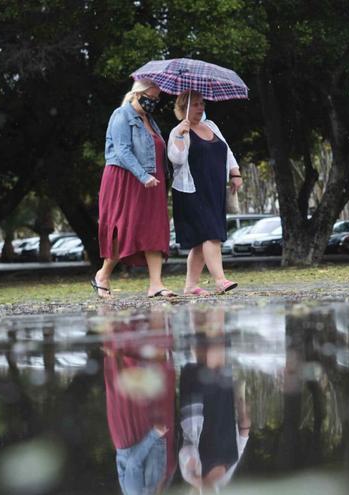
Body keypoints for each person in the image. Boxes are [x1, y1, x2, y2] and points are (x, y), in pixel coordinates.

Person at [94, 79, 175, 300]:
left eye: (157, 98)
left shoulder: (150, 120)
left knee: (154, 228)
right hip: (126, 178)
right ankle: (103, 275)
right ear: (137, 94)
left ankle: (156, 285)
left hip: (152, 181)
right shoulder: (121, 115)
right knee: (124, 229)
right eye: (151, 97)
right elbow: (122, 150)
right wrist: (142, 175)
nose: (154, 102)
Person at [168, 91, 243, 296]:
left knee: (202, 242)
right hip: (192, 191)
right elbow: (176, 159)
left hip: (215, 188)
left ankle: (190, 286)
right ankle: (220, 280)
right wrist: (180, 136)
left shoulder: (211, 126)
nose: (200, 108)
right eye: (195, 105)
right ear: (183, 108)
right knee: (211, 234)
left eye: (202, 104)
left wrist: (235, 174)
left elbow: (226, 151)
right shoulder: (178, 130)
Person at [103, 312, 177, 495]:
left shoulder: (135, 493)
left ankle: (107, 303)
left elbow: (134, 464)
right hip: (154, 433)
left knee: (124, 366)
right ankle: (155, 307)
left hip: (132, 435)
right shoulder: (159, 489)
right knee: (157, 369)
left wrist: (154, 435)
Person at [179, 308, 250, 492]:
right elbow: (243, 435)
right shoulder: (226, 478)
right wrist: (241, 406)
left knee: (202, 343)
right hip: (222, 402)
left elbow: (186, 452)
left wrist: (199, 485)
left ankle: (202, 301)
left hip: (199, 404)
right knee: (213, 342)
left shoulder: (192, 475)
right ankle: (212, 302)